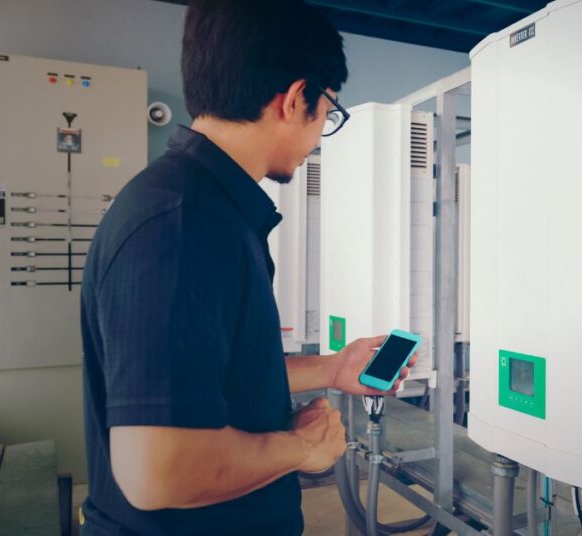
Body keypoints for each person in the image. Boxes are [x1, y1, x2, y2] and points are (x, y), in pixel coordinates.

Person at [78, 1, 412, 533]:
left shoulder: (208, 209)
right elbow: (159, 473)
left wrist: (331, 368)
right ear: (296, 99)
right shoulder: (184, 224)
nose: (321, 132)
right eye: (328, 111)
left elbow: (211, 376)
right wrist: (301, 448)